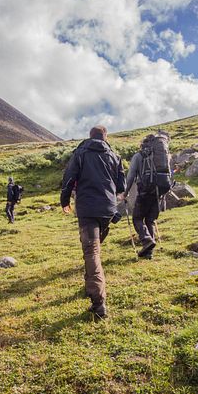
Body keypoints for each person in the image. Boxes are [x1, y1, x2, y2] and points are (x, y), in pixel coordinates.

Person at [61, 125, 125, 319]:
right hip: (107, 209)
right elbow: (121, 185)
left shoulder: (81, 152)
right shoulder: (114, 155)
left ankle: (99, 303)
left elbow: (69, 178)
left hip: (87, 208)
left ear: (90, 136)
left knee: (92, 252)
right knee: (94, 250)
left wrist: (65, 201)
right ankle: (90, 287)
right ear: (105, 137)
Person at [123, 132, 171, 259]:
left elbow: (131, 176)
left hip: (145, 190)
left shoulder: (139, 156)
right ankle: (149, 252)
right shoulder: (163, 156)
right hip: (158, 191)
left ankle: (146, 240)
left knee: (137, 218)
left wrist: (125, 193)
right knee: (150, 220)